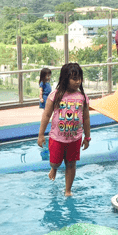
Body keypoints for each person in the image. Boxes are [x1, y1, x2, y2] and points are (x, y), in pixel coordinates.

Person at [37, 63, 91, 196]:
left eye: (79, 78)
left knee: (71, 164)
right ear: (65, 78)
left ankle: (68, 190)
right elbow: (46, 115)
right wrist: (41, 135)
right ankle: (54, 168)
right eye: (74, 78)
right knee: (54, 162)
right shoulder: (55, 95)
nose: (78, 81)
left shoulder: (82, 97)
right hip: (57, 137)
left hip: (75, 138)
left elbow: (86, 118)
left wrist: (87, 137)